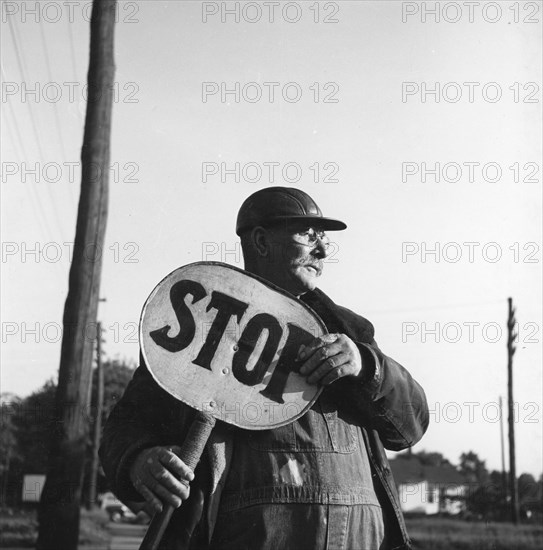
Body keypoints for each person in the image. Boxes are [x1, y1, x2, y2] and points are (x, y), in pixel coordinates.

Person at [100, 187, 429, 550]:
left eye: (324, 239)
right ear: (260, 241)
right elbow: (124, 427)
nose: (321, 250)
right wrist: (140, 461)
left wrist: (369, 366)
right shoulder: (200, 327)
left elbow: (409, 428)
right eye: (307, 235)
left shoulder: (350, 333)